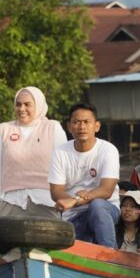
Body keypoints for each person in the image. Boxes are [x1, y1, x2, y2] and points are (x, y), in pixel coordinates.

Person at [0, 86, 67, 218]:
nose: (22, 109)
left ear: (38, 105)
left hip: (46, 200)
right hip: (10, 201)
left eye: (27, 104)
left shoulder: (53, 128)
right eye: (18, 105)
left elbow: (63, 166)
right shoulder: (4, 129)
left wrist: (62, 198)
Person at [48, 103, 121, 248]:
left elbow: (106, 190)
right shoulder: (60, 152)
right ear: (69, 127)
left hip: (107, 210)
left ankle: (111, 257)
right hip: (73, 215)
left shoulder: (108, 150)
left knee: (97, 205)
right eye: (76, 122)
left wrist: (76, 200)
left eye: (87, 122)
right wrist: (76, 202)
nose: (81, 127)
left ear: (97, 126)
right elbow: (56, 192)